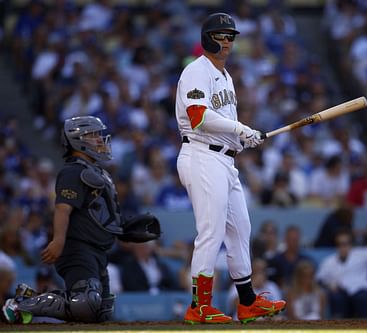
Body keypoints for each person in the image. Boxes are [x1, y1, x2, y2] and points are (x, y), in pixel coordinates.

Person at [175, 13, 286, 324]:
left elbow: (222, 125)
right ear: (207, 37)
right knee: (211, 232)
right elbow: (198, 116)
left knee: (241, 230)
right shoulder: (197, 71)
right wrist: (240, 129)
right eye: (221, 35)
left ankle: (248, 301)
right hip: (201, 155)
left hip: (224, 159)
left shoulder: (225, 76)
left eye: (230, 36)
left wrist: (241, 140)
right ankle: (199, 306)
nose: (226, 41)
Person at [1, 116, 161, 324]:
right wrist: (58, 241)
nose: (100, 139)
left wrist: (124, 228)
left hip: (98, 251)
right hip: (77, 248)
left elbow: (100, 215)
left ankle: (33, 298)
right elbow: (62, 209)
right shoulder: (73, 171)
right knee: (86, 303)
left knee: (101, 310)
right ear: (78, 140)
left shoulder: (98, 173)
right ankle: (19, 305)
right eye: (94, 135)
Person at [316, 229, 367, 318]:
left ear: (351, 244)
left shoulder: (361, 254)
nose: (342, 247)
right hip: (342, 295)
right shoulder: (329, 262)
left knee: (363, 298)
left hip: (361, 292)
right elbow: (319, 278)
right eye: (339, 244)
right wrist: (329, 285)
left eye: (346, 243)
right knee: (336, 298)